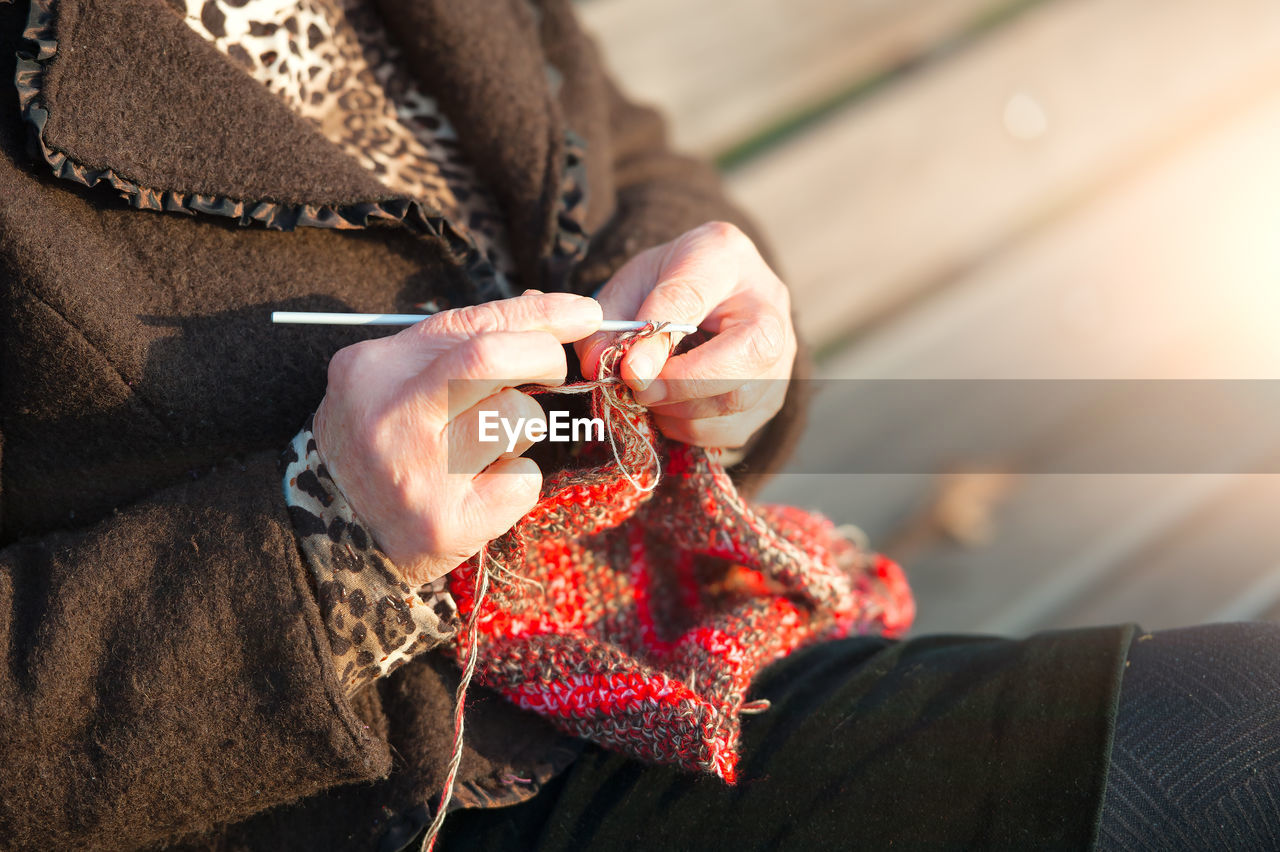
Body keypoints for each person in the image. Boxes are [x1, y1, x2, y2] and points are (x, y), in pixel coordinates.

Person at [1, 1, 1277, 849]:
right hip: (378, 799)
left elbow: (618, 152)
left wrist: (719, 333)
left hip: (661, 647)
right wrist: (327, 539)